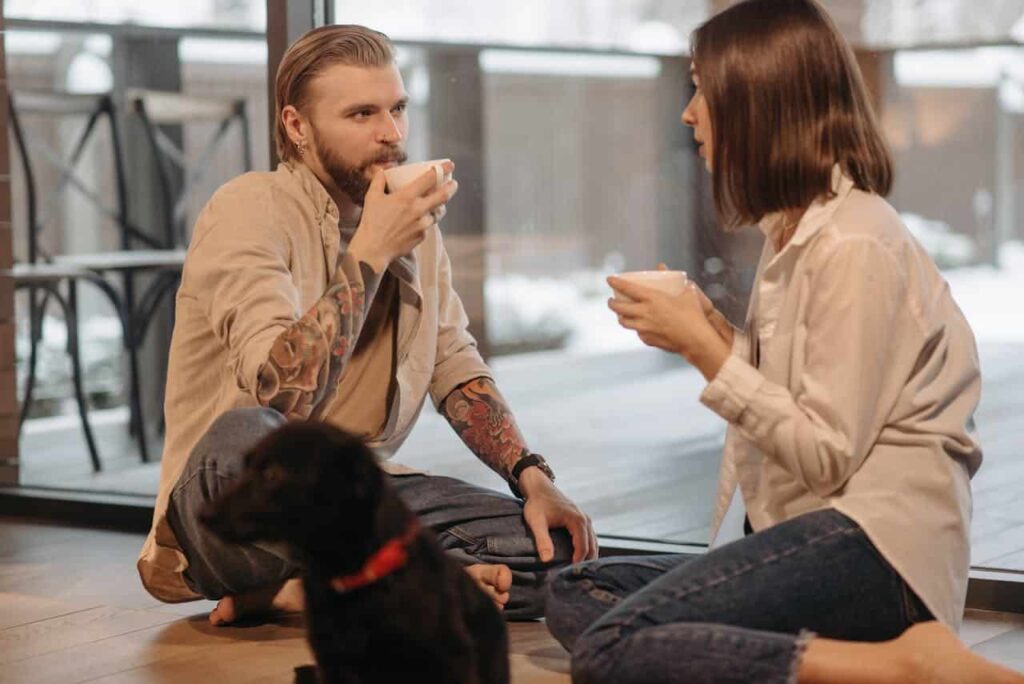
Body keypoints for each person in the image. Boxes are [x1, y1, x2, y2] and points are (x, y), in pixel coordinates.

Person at [544, 1, 1024, 682]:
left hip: (876, 549)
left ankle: (906, 665)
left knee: (610, 646)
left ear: (756, 101)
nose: (689, 113)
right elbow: (799, 397)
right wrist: (709, 325)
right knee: (576, 592)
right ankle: (838, 663)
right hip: (812, 536)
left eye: (701, 89)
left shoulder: (855, 241)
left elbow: (824, 453)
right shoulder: (796, 231)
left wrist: (701, 350)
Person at [136, 24, 597, 625]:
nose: (392, 134)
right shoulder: (248, 208)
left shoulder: (414, 227)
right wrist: (372, 251)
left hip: (356, 494)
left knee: (556, 553)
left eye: (398, 108)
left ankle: (313, 590)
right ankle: (390, 578)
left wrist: (531, 476)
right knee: (245, 437)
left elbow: (453, 363)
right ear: (297, 127)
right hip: (235, 498)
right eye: (361, 114)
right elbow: (282, 392)